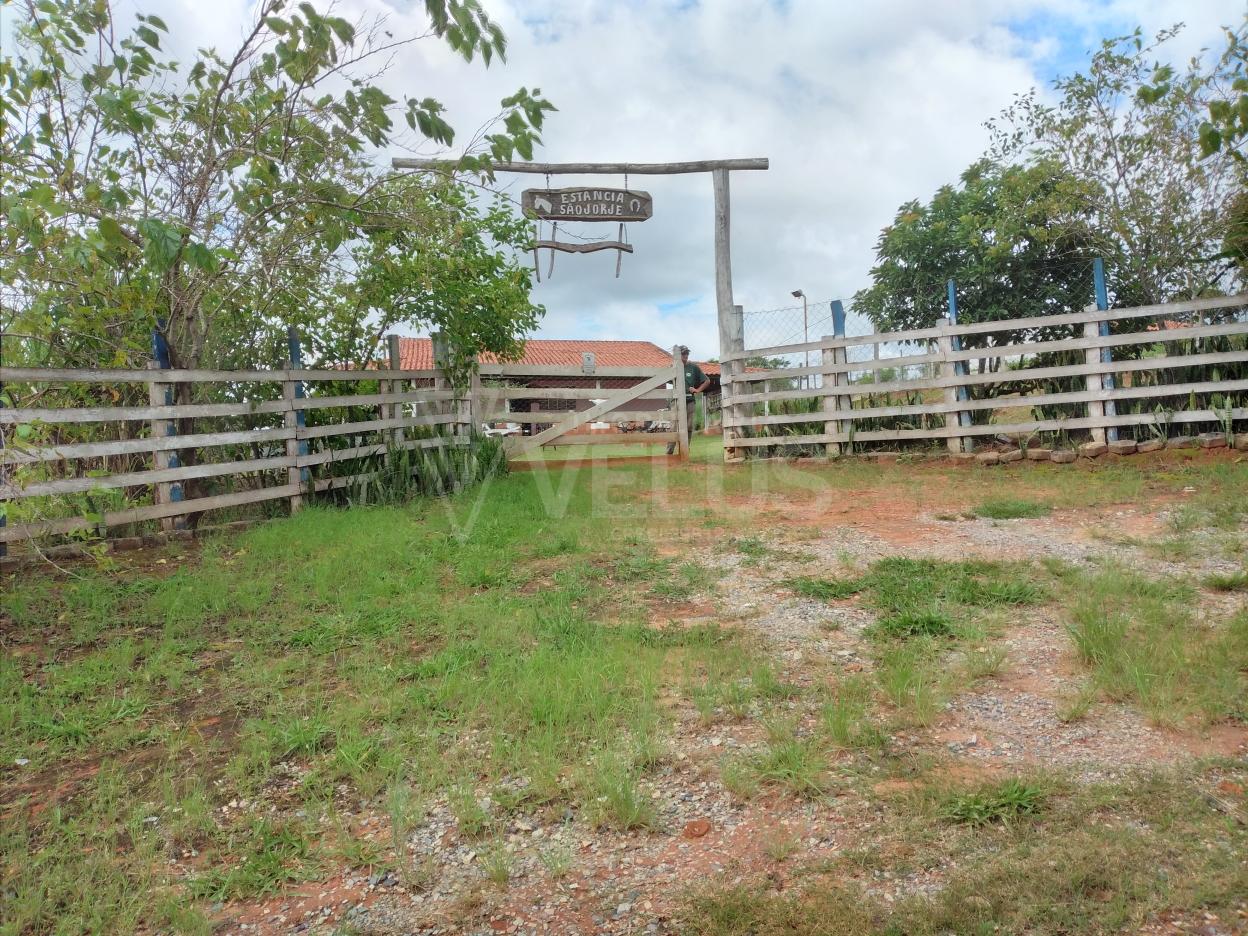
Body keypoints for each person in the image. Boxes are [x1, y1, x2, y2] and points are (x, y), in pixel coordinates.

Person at [667, 345, 710, 454]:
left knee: (689, 426)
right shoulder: (673, 367)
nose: (685, 355)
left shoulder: (693, 367)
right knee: (674, 426)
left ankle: (684, 450)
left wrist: (697, 390)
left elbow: (707, 381)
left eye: (687, 353)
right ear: (678, 355)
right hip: (676, 402)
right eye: (683, 353)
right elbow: (668, 380)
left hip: (690, 401)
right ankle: (669, 451)